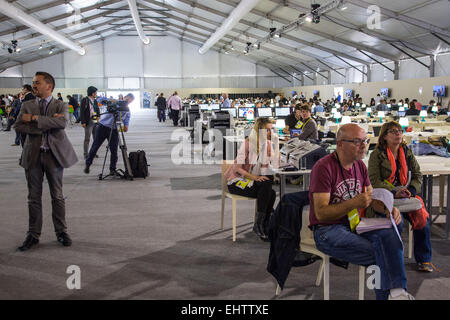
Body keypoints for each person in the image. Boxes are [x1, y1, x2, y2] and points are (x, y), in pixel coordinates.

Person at [309, 123, 414, 300]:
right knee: (382, 252)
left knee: (392, 233)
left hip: (356, 225)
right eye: (357, 141)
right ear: (340, 144)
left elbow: (371, 200)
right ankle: (394, 294)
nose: (364, 145)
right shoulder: (323, 167)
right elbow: (321, 213)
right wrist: (353, 203)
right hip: (327, 230)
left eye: (365, 140)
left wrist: (388, 209)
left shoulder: (360, 166)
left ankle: (396, 293)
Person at [14, 71, 78, 251]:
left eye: (37, 83)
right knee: (33, 197)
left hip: (54, 156)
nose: (34, 85)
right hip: (32, 155)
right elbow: (18, 126)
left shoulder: (61, 105)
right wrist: (46, 125)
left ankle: (61, 232)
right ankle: (33, 234)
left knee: (57, 196)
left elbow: (62, 124)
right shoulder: (26, 104)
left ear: (48, 86)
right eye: (33, 83)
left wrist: (34, 120)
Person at [368, 121, 433, 272]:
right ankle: (393, 260)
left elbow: (417, 175)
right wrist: (393, 191)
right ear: (384, 136)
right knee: (398, 223)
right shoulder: (376, 154)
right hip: (384, 197)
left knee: (422, 218)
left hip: (406, 196)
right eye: (393, 131)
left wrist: (411, 189)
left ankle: (424, 259)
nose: (398, 133)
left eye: (399, 130)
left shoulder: (407, 152)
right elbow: (374, 180)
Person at [224, 117, 277, 241]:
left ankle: (261, 224)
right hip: (237, 182)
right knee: (268, 189)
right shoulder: (248, 143)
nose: (271, 133)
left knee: (271, 192)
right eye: (268, 130)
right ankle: (260, 225)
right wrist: (256, 178)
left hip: (252, 182)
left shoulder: (268, 144)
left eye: (272, 130)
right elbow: (238, 169)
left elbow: (273, 163)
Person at [84, 93, 134, 175]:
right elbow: (99, 100)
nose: (127, 102)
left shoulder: (126, 111)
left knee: (114, 151)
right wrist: (112, 100)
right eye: (126, 100)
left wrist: (125, 126)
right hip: (103, 127)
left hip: (114, 130)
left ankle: (112, 169)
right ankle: (88, 164)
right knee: (95, 146)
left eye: (129, 102)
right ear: (124, 97)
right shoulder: (114, 103)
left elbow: (126, 124)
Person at [80, 86, 100, 159]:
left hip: (94, 119)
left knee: (96, 138)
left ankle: (94, 152)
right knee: (87, 138)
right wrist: (83, 122)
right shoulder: (85, 100)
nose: (96, 94)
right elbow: (82, 112)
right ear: (92, 93)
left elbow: (97, 109)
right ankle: (86, 154)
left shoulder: (95, 100)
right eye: (95, 93)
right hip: (88, 120)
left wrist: (98, 116)